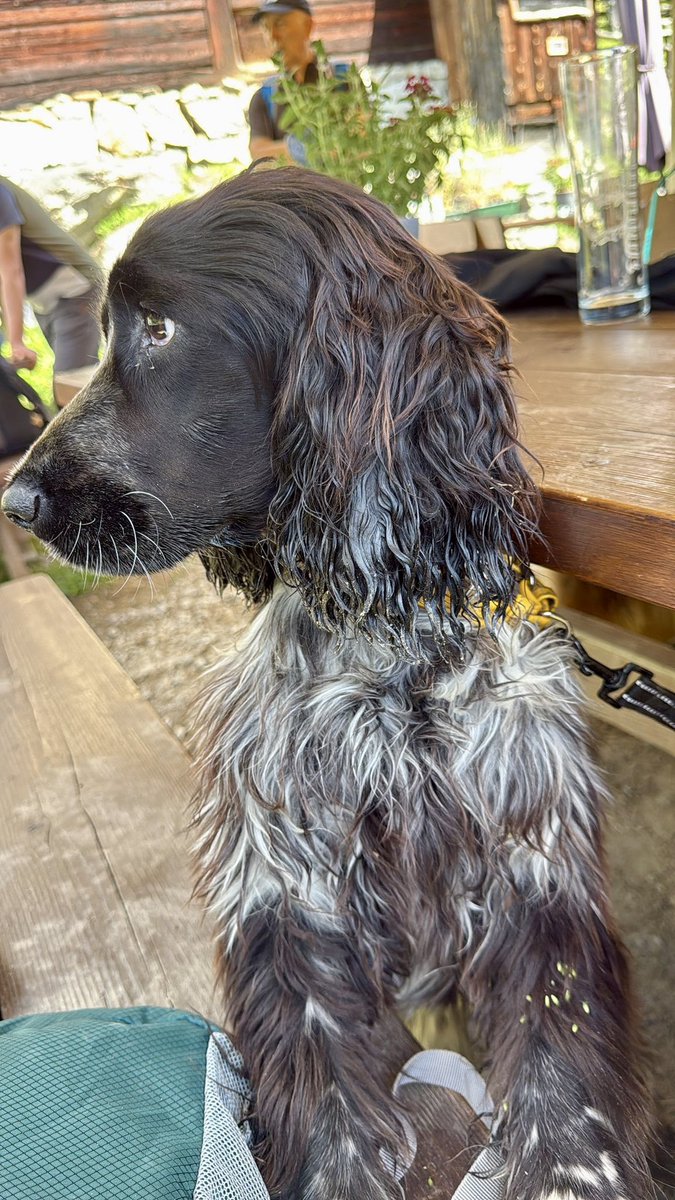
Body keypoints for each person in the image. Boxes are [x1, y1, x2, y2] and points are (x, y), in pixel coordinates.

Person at [0, 176, 103, 388]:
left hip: (75, 290)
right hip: (45, 301)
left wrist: (17, 342)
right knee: (80, 387)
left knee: (71, 391)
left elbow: (10, 271)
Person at [247, 0, 318, 161]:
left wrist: (280, 151)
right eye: (265, 27)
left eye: (280, 24)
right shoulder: (264, 97)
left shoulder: (344, 80)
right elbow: (260, 156)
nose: (272, 36)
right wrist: (304, 149)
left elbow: (362, 142)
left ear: (308, 26)